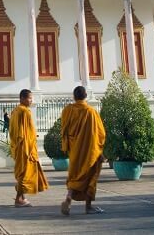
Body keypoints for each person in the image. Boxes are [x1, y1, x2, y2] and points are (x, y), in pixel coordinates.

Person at [60, 86, 106, 216]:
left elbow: (64, 130)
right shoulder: (91, 112)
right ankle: (88, 207)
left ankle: (69, 196)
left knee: (74, 175)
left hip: (74, 151)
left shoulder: (68, 110)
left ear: (74, 96)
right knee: (90, 177)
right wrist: (99, 149)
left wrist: (66, 145)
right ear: (86, 96)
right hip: (90, 152)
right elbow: (101, 133)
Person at [8, 89, 49, 207]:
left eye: (31, 98)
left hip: (18, 146)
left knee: (23, 173)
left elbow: (16, 131)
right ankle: (18, 199)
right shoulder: (25, 112)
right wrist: (30, 148)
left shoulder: (15, 111)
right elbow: (24, 133)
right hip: (25, 147)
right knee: (26, 174)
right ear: (22, 98)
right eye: (29, 98)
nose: (31, 101)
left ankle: (22, 197)